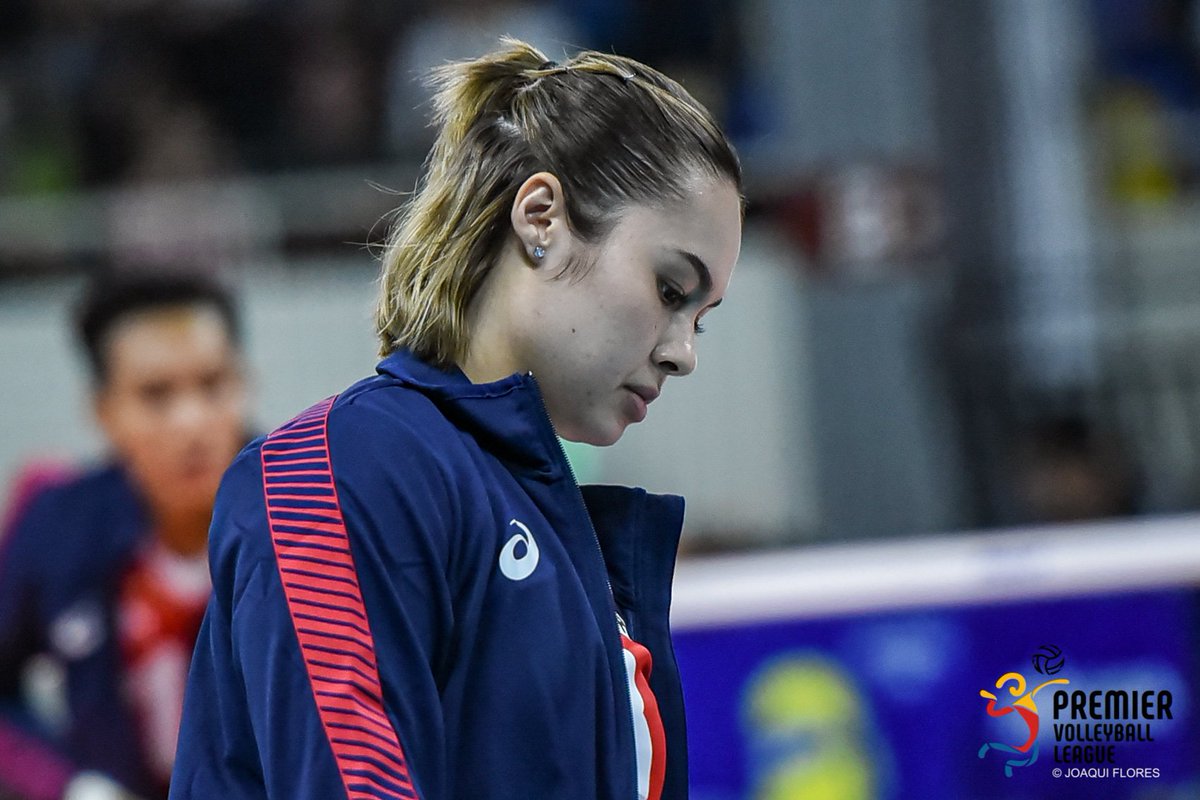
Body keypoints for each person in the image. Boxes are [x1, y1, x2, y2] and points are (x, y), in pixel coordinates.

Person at [171, 37, 743, 800]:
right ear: (541, 216)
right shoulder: (348, 466)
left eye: (701, 319)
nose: (683, 354)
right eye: (672, 290)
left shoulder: (556, 532)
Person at [0, 270, 250, 800]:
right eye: (155, 395)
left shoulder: (315, 511)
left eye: (212, 384)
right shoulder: (54, 522)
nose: (191, 421)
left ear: (244, 384)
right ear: (103, 411)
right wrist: (69, 785)